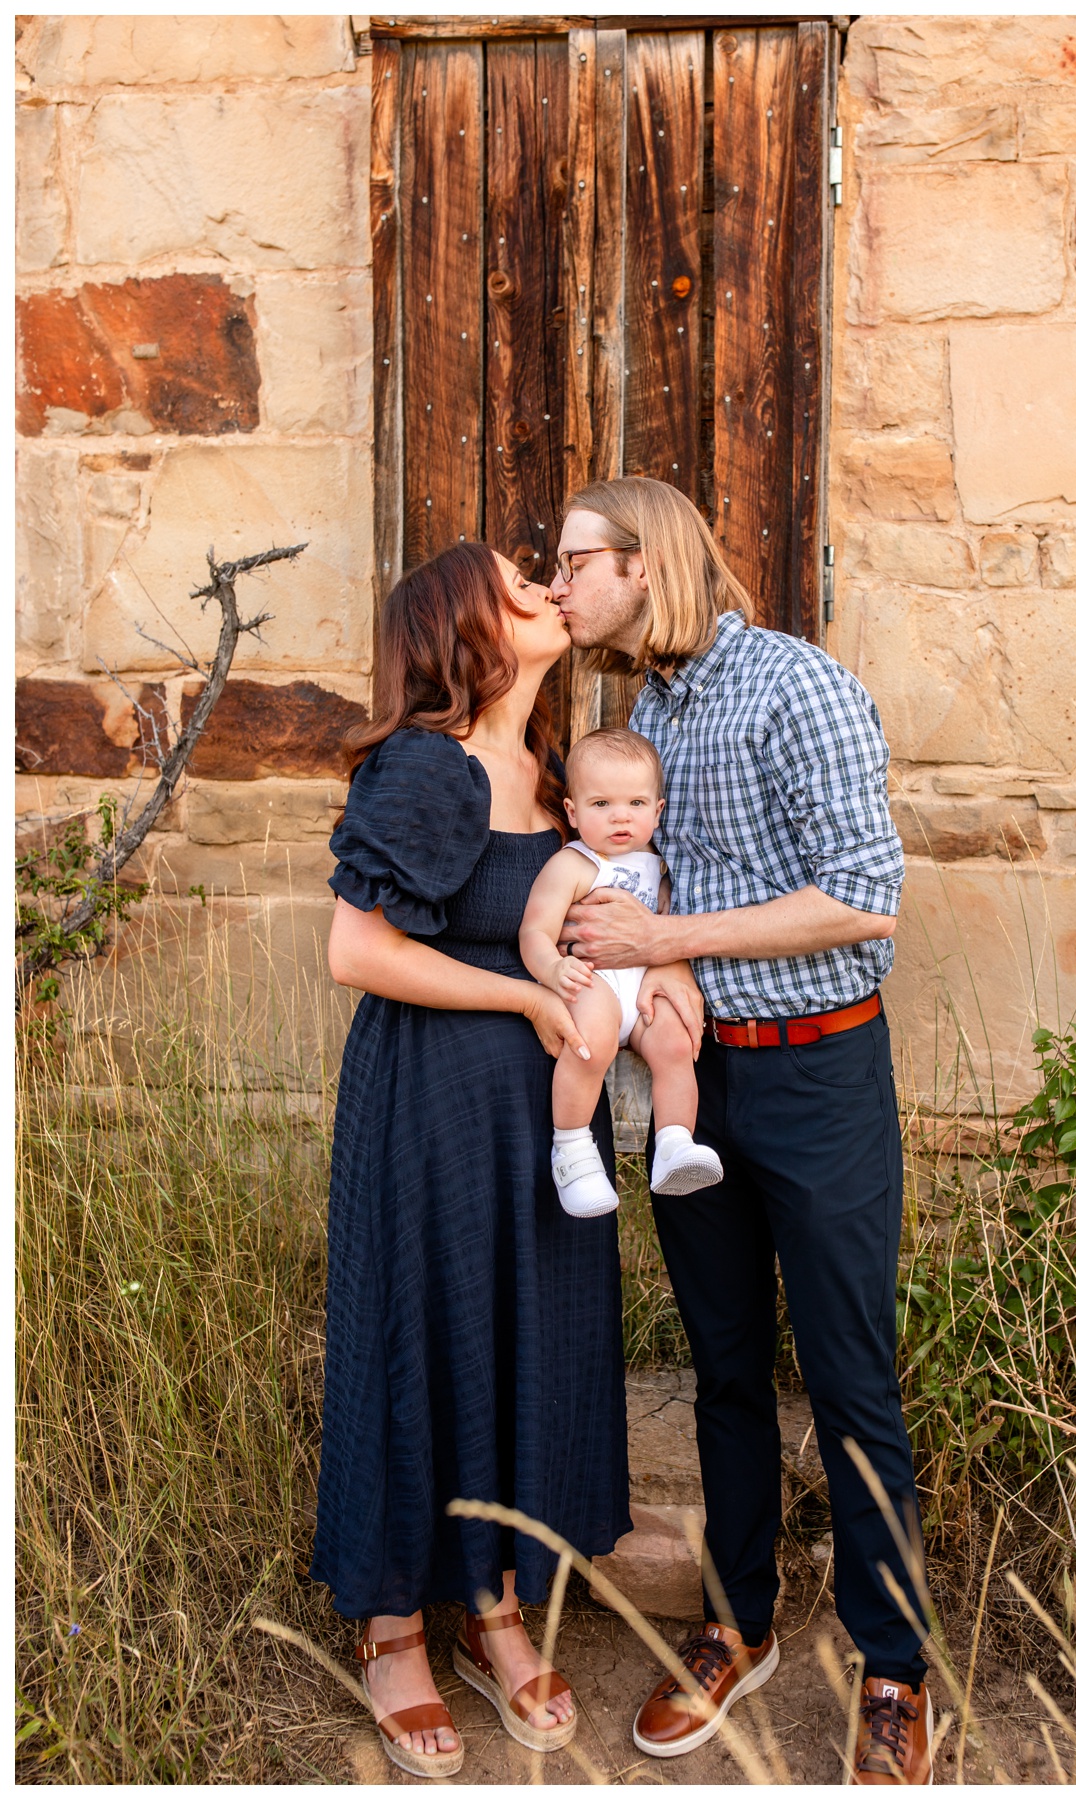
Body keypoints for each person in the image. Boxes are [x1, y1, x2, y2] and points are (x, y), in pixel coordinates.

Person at [547, 477, 930, 1782]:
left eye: (574, 563)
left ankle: (894, 1668)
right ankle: (740, 1622)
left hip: (821, 1076)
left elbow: (865, 902)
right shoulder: (644, 713)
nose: (561, 587)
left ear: (642, 564)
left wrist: (667, 939)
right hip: (694, 1082)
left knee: (849, 1379)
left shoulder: (798, 686)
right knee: (722, 1368)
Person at [316, 542, 675, 1772]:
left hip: (545, 1119)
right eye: (520, 586)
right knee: (423, 1337)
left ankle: (494, 1605)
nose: (547, 589)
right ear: (465, 626)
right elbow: (355, 955)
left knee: (521, 1339)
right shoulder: (428, 764)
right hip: (430, 1106)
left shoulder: (553, 772)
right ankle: (393, 1624)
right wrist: (523, 1003)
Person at [517, 725, 722, 1216]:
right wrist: (552, 968)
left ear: (658, 811)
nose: (620, 818)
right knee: (590, 1045)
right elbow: (534, 932)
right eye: (601, 805)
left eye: (635, 804)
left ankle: (675, 1143)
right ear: (572, 811)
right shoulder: (574, 864)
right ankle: (572, 1151)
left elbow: (671, 925)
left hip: (646, 986)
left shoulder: (663, 866)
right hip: (596, 981)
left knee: (676, 1044)